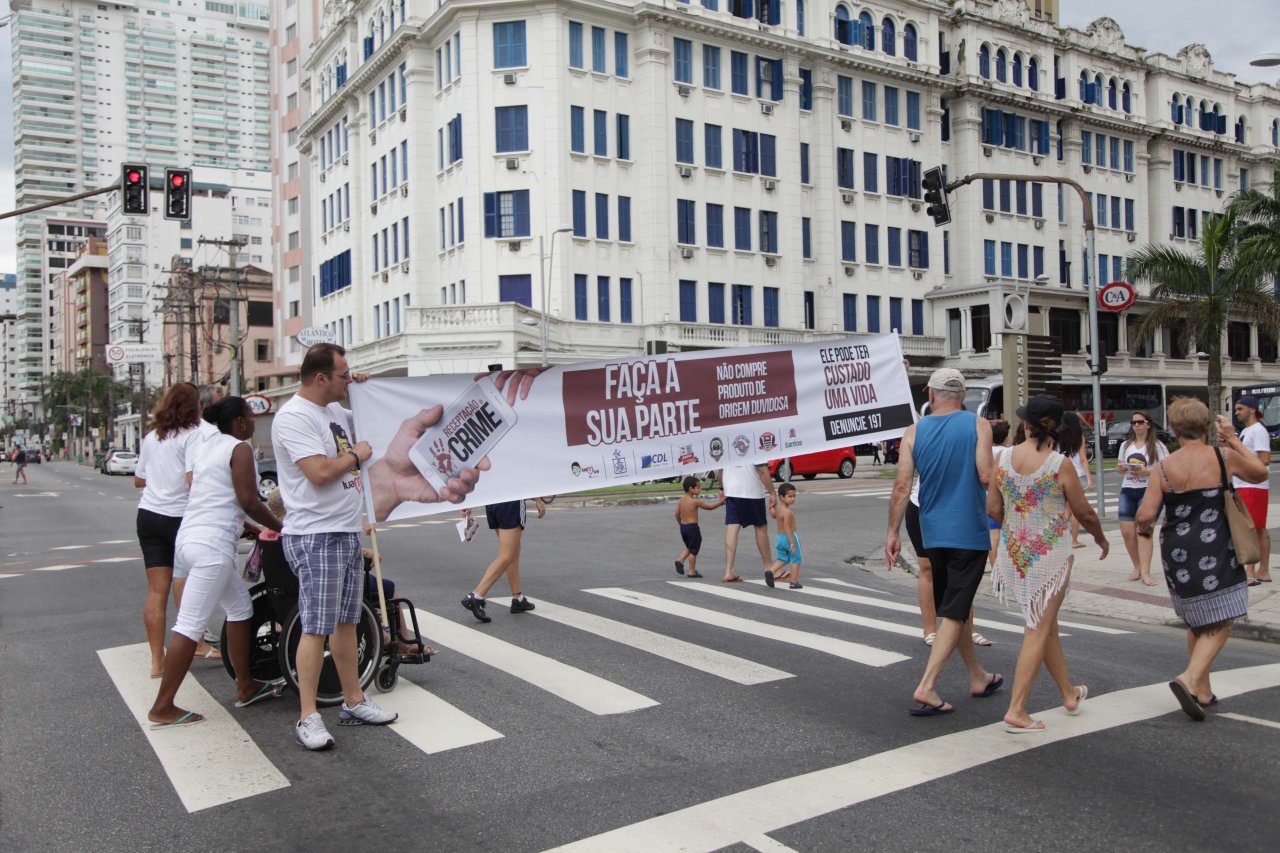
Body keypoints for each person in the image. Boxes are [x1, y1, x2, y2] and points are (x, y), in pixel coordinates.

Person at [273, 343, 485, 750]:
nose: (347, 378)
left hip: (345, 529)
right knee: (315, 627)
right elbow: (318, 472)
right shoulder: (293, 417)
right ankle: (307, 716)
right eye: (342, 375)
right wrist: (356, 455)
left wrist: (362, 392)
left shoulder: (334, 410)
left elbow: (378, 422)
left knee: (347, 622)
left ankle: (353, 701)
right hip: (314, 534)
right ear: (320, 378)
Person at [147, 397, 285, 727]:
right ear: (238, 422)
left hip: (190, 539)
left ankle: (246, 685)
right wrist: (282, 527)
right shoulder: (239, 449)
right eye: (251, 416)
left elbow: (217, 496)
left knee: (240, 609)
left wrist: (247, 527)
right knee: (190, 625)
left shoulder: (207, 446)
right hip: (212, 548)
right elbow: (248, 499)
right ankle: (163, 707)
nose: (254, 422)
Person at [1135, 398, 1267, 721]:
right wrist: (1233, 438)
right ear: (1207, 426)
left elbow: (1147, 515)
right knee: (1226, 614)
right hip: (1216, 547)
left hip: (1177, 552)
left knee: (1197, 619)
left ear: (1176, 430)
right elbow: (1260, 470)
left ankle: (1202, 691)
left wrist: (1142, 527)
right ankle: (1190, 677)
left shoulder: (1164, 468)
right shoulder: (1223, 457)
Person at [989, 395, 1109, 733]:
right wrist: (1100, 538)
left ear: (1028, 424)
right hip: (1049, 558)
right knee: (1038, 628)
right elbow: (1083, 512)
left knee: (1045, 626)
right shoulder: (1059, 464)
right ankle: (1016, 709)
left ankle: (1068, 694)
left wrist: (1016, 525)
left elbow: (992, 508)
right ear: (1054, 426)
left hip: (1013, 555)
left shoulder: (1005, 458)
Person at [887, 368, 1001, 717]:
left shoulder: (914, 431)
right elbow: (985, 475)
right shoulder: (978, 426)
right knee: (954, 609)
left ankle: (977, 676)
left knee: (955, 605)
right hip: (967, 529)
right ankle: (928, 685)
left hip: (931, 530)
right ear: (962, 396)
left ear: (931, 396)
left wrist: (892, 533)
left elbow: (903, 486)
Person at [135, 382, 208, 678]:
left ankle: (157, 661)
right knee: (188, 582)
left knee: (156, 591)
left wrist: (159, 476)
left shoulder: (153, 436)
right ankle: (198, 643)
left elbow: (138, 480)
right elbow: (194, 478)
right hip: (179, 517)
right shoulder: (193, 435)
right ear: (196, 405)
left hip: (148, 515)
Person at [460, 497, 547, 621]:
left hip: (493, 503)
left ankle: (518, 598)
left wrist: (468, 503)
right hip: (511, 502)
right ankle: (477, 596)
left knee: (513, 550)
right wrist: (538, 499)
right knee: (508, 554)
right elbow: (522, 477)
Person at [1117, 413, 1169, 586]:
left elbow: (1166, 470)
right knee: (1127, 532)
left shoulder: (1158, 446)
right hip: (1128, 488)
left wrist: (1148, 472)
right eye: (1133, 422)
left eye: (1140, 422)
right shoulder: (1126, 445)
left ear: (1148, 425)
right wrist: (1122, 468)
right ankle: (1137, 567)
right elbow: (1119, 466)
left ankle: (1146, 572)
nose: (1136, 425)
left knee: (1144, 531)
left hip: (1148, 491)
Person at [1233, 395, 1271, 585]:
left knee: (1254, 527)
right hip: (1244, 484)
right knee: (1253, 527)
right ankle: (1260, 570)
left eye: (1240, 409)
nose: (1236, 412)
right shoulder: (1248, 430)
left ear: (1251, 409)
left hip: (1253, 484)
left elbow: (1264, 460)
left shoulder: (1258, 430)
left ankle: (1254, 570)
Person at [719, 463, 778, 583]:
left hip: (731, 489)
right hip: (752, 490)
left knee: (733, 525)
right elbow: (762, 470)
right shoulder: (755, 444)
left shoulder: (725, 444)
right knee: (760, 526)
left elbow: (720, 469)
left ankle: (729, 570)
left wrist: (722, 488)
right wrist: (772, 492)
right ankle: (769, 567)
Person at [673, 475, 724, 578]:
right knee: (693, 550)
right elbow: (710, 507)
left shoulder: (681, 500)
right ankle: (692, 571)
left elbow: (676, 514)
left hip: (683, 528)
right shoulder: (695, 501)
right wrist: (721, 502)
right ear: (691, 489)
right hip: (693, 528)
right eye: (698, 487)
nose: (700, 489)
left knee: (689, 546)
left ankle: (680, 560)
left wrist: (681, 524)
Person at [1063, 413, 1095, 549]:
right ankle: (1074, 540)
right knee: (1075, 511)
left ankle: (1060, 537)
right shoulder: (1079, 438)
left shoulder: (1058, 437)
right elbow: (1083, 459)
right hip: (1078, 475)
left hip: (1063, 475)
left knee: (1065, 508)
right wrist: (1089, 478)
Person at [764, 482, 803, 589]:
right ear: (781, 497)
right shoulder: (787, 512)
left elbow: (773, 515)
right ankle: (794, 582)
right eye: (790, 496)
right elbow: (787, 527)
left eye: (794, 496)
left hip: (779, 538)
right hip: (789, 536)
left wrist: (771, 507)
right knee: (796, 559)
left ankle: (770, 572)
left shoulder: (778, 508)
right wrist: (792, 542)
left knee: (783, 558)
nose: (793, 499)